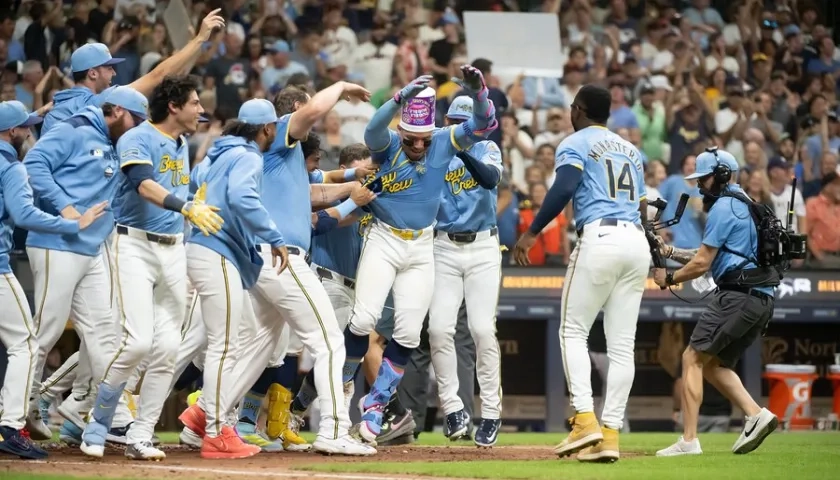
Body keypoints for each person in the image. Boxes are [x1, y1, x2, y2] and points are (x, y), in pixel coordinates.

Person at [178, 81, 377, 457]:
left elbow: (316, 191)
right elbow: (313, 112)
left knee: (261, 344)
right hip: (280, 257)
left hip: (259, 260)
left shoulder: (258, 156)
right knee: (330, 341)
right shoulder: (276, 141)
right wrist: (341, 87)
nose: (301, 119)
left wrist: (354, 182)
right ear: (271, 126)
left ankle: (204, 416)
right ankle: (334, 430)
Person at [340, 66, 497, 444]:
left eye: (424, 140)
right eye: (413, 139)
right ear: (403, 132)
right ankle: (338, 393)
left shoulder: (442, 140)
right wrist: (397, 99)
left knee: (410, 333)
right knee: (362, 320)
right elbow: (372, 132)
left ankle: (376, 405)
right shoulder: (391, 144)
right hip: (385, 237)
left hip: (423, 244)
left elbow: (483, 126)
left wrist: (479, 94)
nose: (419, 146)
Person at [79, 76, 224, 460]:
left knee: (169, 347)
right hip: (133, 245)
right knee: (139, 340)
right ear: (174, 106)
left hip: (173, 248)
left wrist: (195, 202)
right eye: (194, 103)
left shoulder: (180, 142)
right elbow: (143, 184)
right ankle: (100, 419)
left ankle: (140, 434)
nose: (200, 110)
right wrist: (185, 206)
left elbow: (175, 188)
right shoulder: (137, 138)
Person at [513, 85, 650, 463]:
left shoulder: (576, 141)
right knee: (622, 345)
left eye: (573, 106)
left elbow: (564, 188)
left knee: (573, 330)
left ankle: (585, 420)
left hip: (600, 237)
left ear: (580, 110)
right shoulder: (631, 150)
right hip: (635, 240)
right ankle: (610, 436)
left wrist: (531, 232)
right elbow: (641, 207)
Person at [22, 86, 149, 445]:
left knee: (105, 334)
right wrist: (64, 206)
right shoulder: (74, 129)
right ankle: (16, 410)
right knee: (45, 332)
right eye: (136, 120)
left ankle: (114, 417)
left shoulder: (114, 141)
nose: (138, 128)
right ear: (119, 112)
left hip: (92, 248)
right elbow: (34, 164)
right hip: (57, 243)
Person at [654, 148, 779, 457]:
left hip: (737, 295)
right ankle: (756, 414)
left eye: (703, 179)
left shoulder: (723, 207)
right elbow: (710, 255)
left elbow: (700, 264)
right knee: (713, 365)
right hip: (761, 298)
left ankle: (689, 440)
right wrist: (670, 253)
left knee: (692, 358)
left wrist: (670, 279)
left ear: (720, 176)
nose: (699, 186)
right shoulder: (745, 203)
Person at [0, 100, 106, 460]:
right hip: (3, 266)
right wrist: (71, 223)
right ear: (11, 132)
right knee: (28, 343)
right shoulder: (11, 167)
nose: (29, 131)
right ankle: (12, 424)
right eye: (24, 126)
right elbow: (25, 213)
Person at [184, 98, 289, 459]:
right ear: (266, 129)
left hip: (202, 246)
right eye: (274, 126)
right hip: (217, 250)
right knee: (224, 345)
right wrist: (274, 236)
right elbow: (242, 197)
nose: (276, 132)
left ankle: (208, 420)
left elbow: (194, 182)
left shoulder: (218, 152)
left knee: (232, 338)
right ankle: (215, 431)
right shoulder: (248, 156)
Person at [427, 96, 504, 447]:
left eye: (464, 122)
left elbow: (489, 180)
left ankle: (491, 412)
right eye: (454, 122)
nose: (459, 128)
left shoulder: (487, 148)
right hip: (443, 245)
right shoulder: (434, 152)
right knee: (439, 329)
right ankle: (454, 409)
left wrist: (462, 150)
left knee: (481, 328)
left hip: (483, 246)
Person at [41, 9, 225, 134]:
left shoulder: (56, 105)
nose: (113, 72)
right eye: (108, 68)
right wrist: (199, 39)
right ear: (93, 73)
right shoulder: (98, 100)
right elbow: (158, 75)